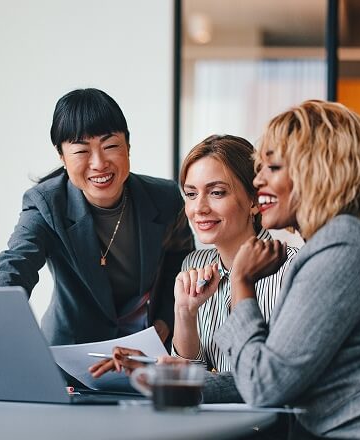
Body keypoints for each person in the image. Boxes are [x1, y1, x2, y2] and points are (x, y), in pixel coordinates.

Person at [110, 101, 360, 439]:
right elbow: (277, 371)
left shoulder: (343, 247)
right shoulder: (335, 245)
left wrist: (242, 284)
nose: (258, 181)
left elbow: (266, 383)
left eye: (271, 169)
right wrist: (180, 383)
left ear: (319, 171)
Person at [0, 88, 194, 346]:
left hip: (143, 350)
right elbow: (16, 264)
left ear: (128, 146)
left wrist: (165, 321)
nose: (98, 163)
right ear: (62, 156)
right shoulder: (46, 203)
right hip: (70, 351)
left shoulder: (165, 198)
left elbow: (182, 262)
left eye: (110, 146)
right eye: (81, 151)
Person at [89, 135, 296, 378]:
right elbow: (190, 376)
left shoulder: (292, 270)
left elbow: (268, 378)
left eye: (217, 193)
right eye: (191, 194)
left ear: (253, 200)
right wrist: (185, 314)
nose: (199, 208)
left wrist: (159, 373)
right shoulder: (193, 264)